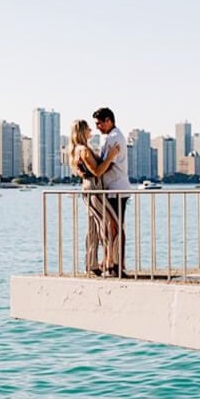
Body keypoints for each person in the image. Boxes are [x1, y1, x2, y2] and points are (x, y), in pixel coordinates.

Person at [68, 119, 120, 276]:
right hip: (94, 189)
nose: (91, 130)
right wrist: (111, 156)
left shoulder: (76, 150)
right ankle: (110, 262)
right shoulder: (83, 150)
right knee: (110, 223)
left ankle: (91, 264)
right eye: (88, 128)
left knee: (93, 228)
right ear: (82, 131)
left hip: (90, 188)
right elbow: (97, 171)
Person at [93, 106, 132, 277]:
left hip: (117, 189)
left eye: (99, 123)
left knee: (114, 227)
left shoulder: (113, 138)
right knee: (112, 227)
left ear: (109, 121)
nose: (97, 127)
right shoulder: (110, 137)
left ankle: (116, 264)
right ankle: (114, 262)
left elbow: (104, 165)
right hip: (114, 189)